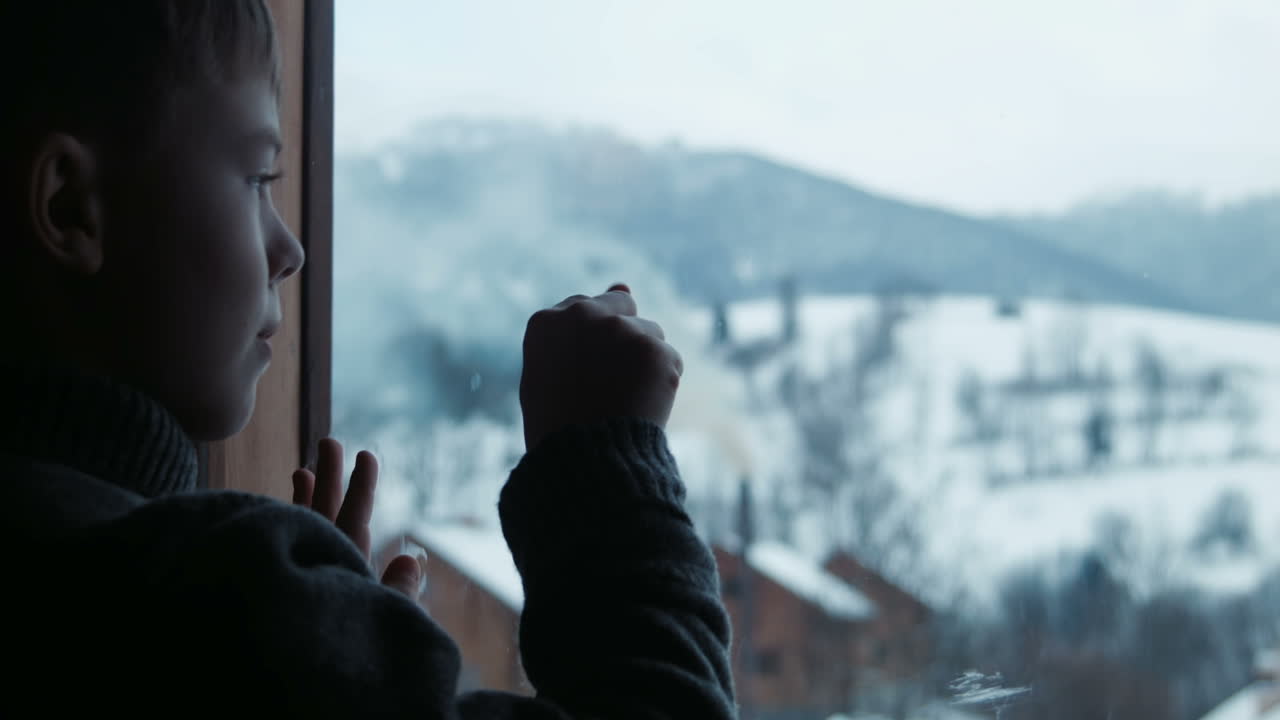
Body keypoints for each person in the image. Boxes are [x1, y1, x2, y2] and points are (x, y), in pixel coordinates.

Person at [0, 1, 736, 716]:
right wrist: (606, 476)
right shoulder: (201, 612)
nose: (290, 251)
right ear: (71, 207)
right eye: (258, 179)